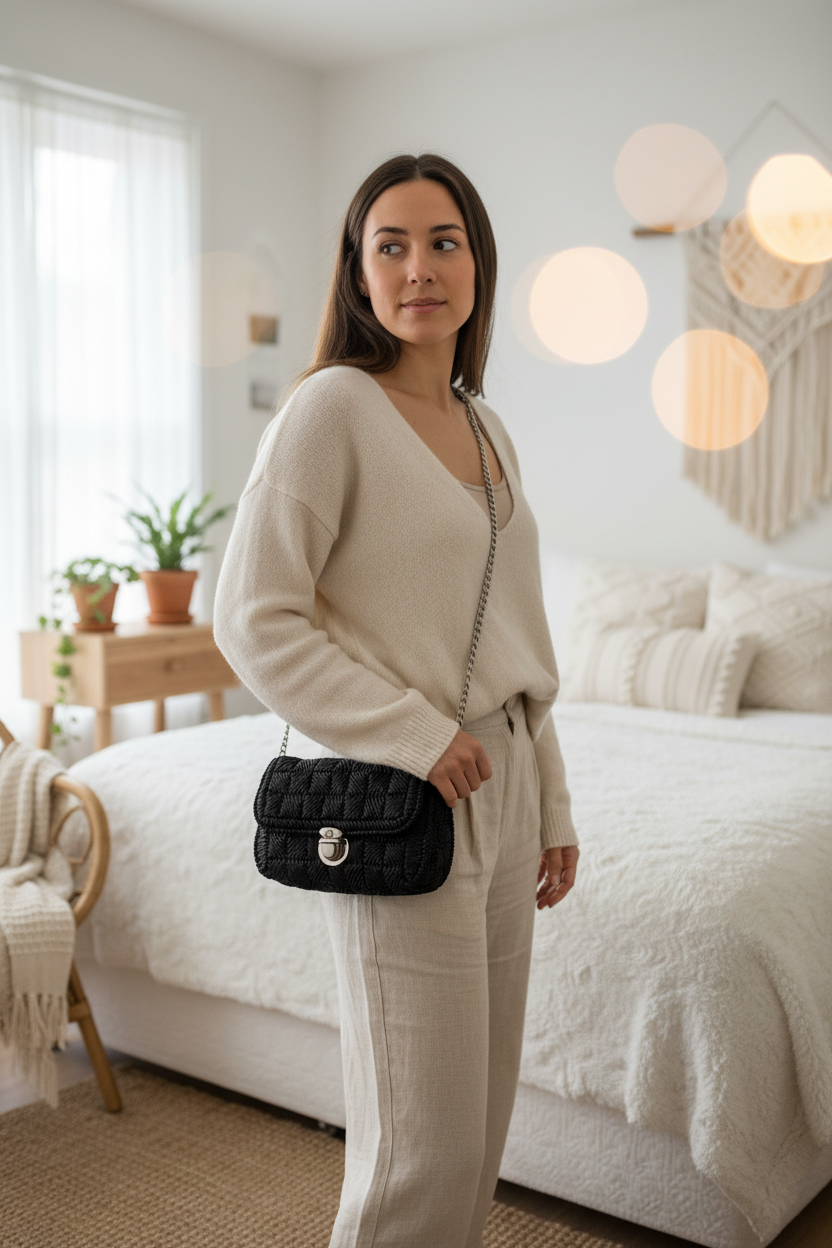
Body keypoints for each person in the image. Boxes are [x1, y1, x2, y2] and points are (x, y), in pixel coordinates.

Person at [213, 152, 579, 1248]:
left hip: (502, 782)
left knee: (475, 1129)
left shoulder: (486, 428)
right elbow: (253, 617)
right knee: (418, 1149)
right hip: (398, 788)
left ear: (477, 264)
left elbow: (518, 645)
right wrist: (418, 737)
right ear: (358, 273)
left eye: (443, 241)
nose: (419, 266)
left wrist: (548, 806)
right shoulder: (331, 409)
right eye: (392, 245)